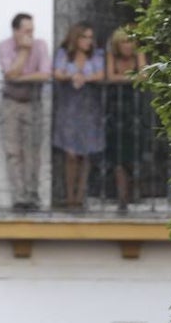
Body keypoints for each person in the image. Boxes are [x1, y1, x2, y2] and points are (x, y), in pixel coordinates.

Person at [0, 13, 52, 210]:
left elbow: (45, 74)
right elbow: (9, 73)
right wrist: (23, 52)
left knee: (33, 152)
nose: (31, 34)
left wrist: (19, 77)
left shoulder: (41, 45)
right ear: (15, 31)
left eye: (32, 30)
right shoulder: (4, 46)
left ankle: (32, 195)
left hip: (34, 103)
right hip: (11, 103)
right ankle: (19, 197)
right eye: (26, 30)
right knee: (13, 151)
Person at [53, 22, 106, 209]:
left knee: (86, 153)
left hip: (89, 107)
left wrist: (85, 78)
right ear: (75, 38)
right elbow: (58, 73)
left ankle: (80, 195)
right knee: (70, 154)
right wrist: (71, 76)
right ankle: (69, 196)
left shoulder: (97, 55)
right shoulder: (63, 54)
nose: (88, 41)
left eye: (90, 37)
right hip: (69, 107)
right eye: (84, 37)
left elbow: (100, 74)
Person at [105, 28, 148, 212]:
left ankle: (135, 192)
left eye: (131, 41)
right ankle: (122, 197)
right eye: (124, 42)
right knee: (118, 158)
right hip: (116, 113)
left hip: (136, 112)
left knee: (135, 155)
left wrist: (123, 78)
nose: (128, 46)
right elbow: (110, 77)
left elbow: (145, 76)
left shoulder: (138, 56)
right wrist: (132, 78)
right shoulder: (111, 56)